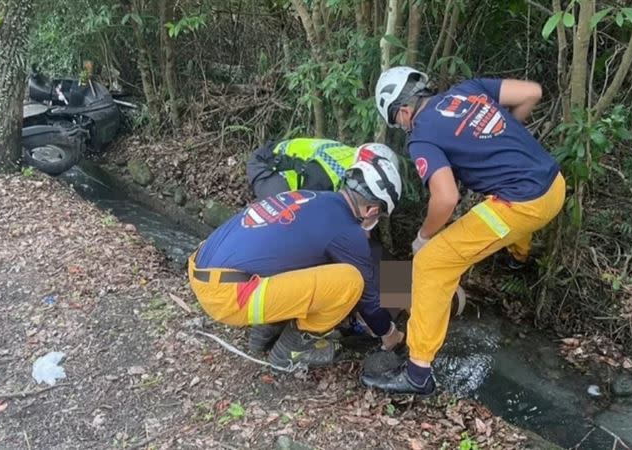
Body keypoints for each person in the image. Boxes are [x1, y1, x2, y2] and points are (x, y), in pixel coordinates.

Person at [361, 66, 566, 394]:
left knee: (431, 263)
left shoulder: (422, 136)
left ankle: (417, 373)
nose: (402, 128)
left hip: (522, 205)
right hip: (554, 185)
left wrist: (423, 238)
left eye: (397, 122)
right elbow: (532, 93)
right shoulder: (468, 89)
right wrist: (502, 141)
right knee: (491, 208)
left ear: (402, 110)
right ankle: (518, 258)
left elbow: (446, 198)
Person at [188, 152, 406, 369]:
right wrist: (390, 334)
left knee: (309, 259)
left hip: (201, 266)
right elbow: (370, 303)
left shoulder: (311, 197)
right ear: (372, 210)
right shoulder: (348, 233)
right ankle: (292, 350)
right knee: (351, 281)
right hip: (226, 296)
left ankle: (265, 331)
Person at [246, 137, 400, 200]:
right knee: (288, 219)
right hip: (268, 165)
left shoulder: (350, 158)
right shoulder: (329, 175)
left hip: (283, 159)